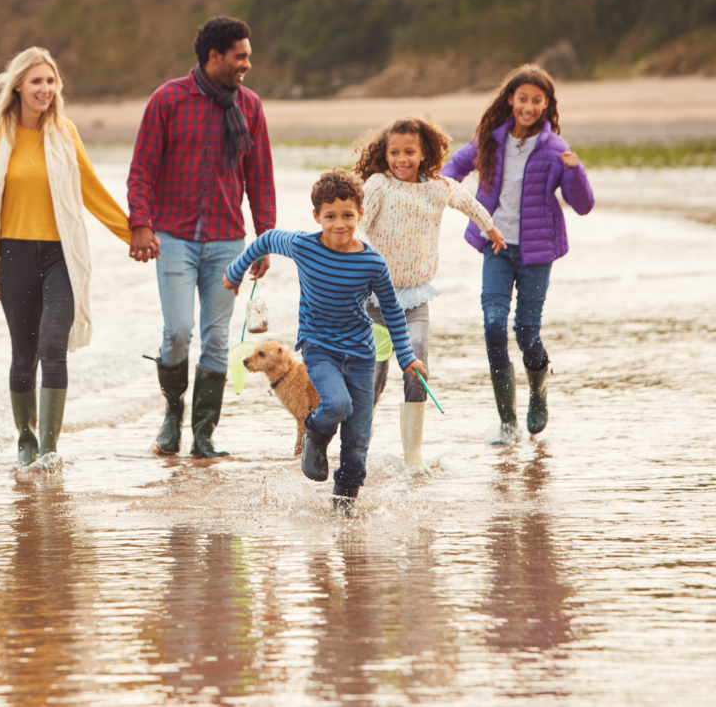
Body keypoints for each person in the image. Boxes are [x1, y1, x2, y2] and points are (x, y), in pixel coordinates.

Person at [0, 46, 138, 466]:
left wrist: (135, 234)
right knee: (24, 355)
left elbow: (91, 190)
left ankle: (49, 450)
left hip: (61, 256)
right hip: (14, 256)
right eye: (37, 81)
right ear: (19, 86)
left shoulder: (64, 132)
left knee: (53, 345)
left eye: (50, 81)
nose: (45, 88)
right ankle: (25, 441)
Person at [223, 169, 426, 513]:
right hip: (320, 350)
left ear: (360, 214)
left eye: (347, 215)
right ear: (316, 216)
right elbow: (266, 239)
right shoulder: (304, 245)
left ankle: (343, 504)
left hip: (361, 355)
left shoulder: (372, 263)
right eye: (330, 216)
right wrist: (235, 271)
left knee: (358, 439)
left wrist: (406, 357)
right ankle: (315, 436)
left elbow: (391, 310)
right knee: (336, 405)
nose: (339, 224)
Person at [127, 15, 276, 459]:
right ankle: (172, 415)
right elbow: (142, 171)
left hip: (228, 242)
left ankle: (204, 434)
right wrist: (141, 223)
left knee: (215, 338)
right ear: (215, 57)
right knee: (178, 331)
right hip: (173, 238)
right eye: (240, 56)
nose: (247, 64)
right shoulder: (168, 99)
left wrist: (264, 239)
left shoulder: (250, 107)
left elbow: (261, 179)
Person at [442, 64, 594, 442]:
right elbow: (454, 169)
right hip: (495, 246)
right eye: (522, 98)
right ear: (510, 100)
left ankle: (538, 391)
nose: (528, 106)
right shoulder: (489, 141)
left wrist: (575, 173)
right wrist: (434, 191)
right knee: (493, 327)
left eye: (536, 100)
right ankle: (507, 423)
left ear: (546, 104)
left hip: (535, 255)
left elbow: (583, 205)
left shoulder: (556, 148)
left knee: (527, 333)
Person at [354, 118, 507, 467]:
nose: (401, 159)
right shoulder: (379, 184)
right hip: (376, 300)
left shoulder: (437, 188)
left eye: (409, 151)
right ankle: (361, 436)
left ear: (423, 153)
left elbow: (468, 201)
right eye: (394, 152)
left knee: (418, 364)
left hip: (415, 298)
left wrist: (490, 229)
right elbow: (359, 225)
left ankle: (412, 453)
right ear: (385, 153)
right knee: (373, 374)